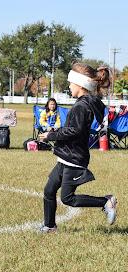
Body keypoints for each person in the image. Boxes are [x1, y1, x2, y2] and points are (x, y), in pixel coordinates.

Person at [38, 62, 117, 233]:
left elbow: (74, 131)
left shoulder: (82, 106)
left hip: (74, 158)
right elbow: (72, 129)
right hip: (66, 156)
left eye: (71, 83)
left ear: (81, 85)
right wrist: (56, 132)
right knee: (49, 190)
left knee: (68, 198)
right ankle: (50, 226)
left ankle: (105, 202)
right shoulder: (84, 103)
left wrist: (51, 135)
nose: (69, 86)